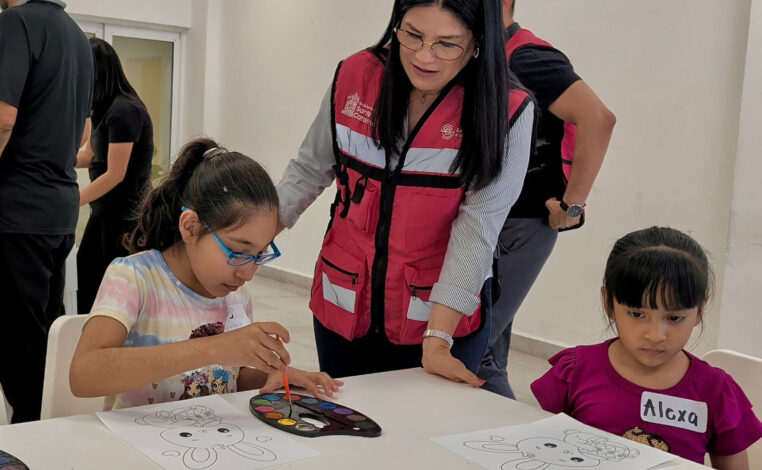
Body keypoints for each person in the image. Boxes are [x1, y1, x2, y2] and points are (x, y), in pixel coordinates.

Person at [276, 0, 534, 386]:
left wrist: (438, 338)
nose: (423, 56)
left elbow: (479, 227)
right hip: (346, 298)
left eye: (447, 44)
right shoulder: (355, 76)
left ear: (478, 42)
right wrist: (241, 247)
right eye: (412, 34)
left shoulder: (507, 111)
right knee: (347, 427)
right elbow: (307, 171)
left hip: (438, 318)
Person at [69, 138, 342, 410]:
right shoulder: (134, 278)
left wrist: (273, 377)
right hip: (138, 442)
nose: (248, 272)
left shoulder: (235, 291)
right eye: (238, 251)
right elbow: (84, 375)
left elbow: (227, 378)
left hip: (209, 438)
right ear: (190, 227)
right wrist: (214, 347)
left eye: (259, 255)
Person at [531, 227, 762, 467]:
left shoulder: (717, 392)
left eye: (674, 318)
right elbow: (538, 451)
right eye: (636, 314)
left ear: (699, 312)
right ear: (609, 303)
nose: (655, 336)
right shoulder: (573, 372)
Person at [478, 0, 617, 397]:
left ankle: (497, 444)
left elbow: (599, 119)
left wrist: (572, 207)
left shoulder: (529, 58)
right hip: (491, 221)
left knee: (473, 344)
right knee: (489, 345)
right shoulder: (487, 52)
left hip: (521, 225)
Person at [0, 0, 93, 422]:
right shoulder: (77, 38)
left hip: (15, 213)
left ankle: (32, 436)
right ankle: (50, 429)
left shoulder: (15, 23)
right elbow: (84, 132)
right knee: (46, 335)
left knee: (14, 339)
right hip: (57, 209)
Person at [76, 37, 154, 315]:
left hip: (125, 216)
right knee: (86, 272)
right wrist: (47, 161)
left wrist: (73, 199)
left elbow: (115, 174)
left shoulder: (125, 111)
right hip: (104, 213)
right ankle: (86, 333)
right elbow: (89, 156)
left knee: (114, 284)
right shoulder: (104, 108)